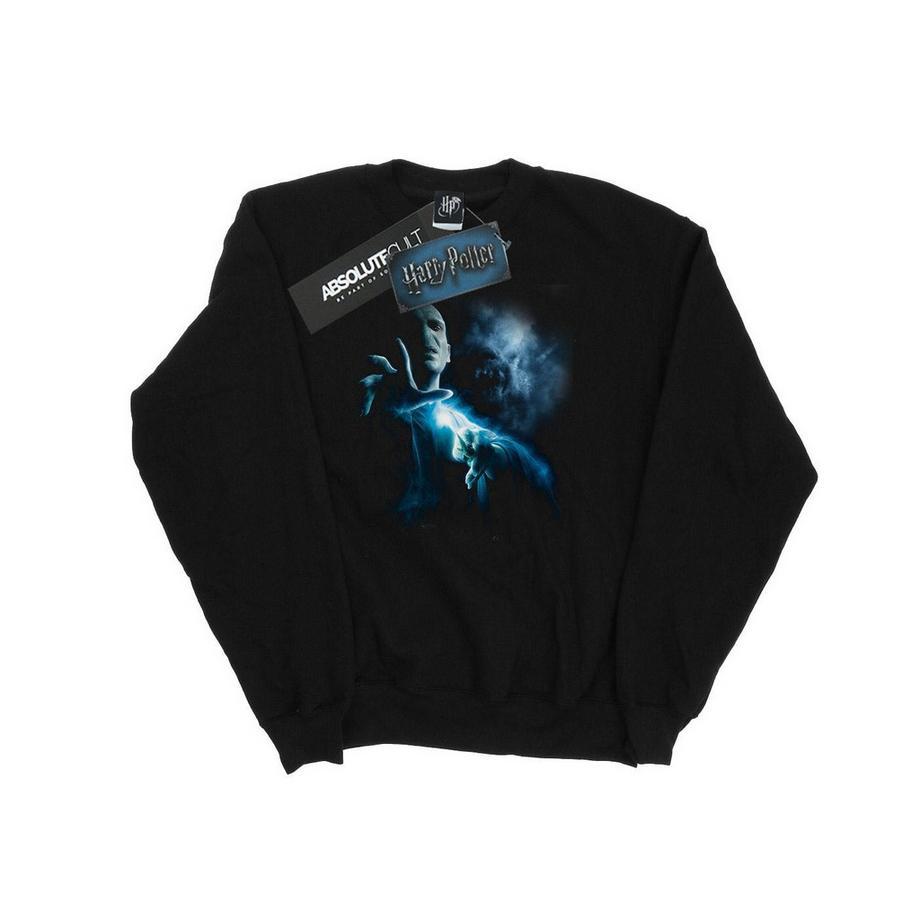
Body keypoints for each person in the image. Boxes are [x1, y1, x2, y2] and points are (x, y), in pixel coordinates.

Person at [359, 305, 554, 519]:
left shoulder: (458, 424)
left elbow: (524, 463)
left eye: (435, 327)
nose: (425, 335)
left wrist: (496, 456)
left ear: (448, 353)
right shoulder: (373, 405)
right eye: (412, 327)